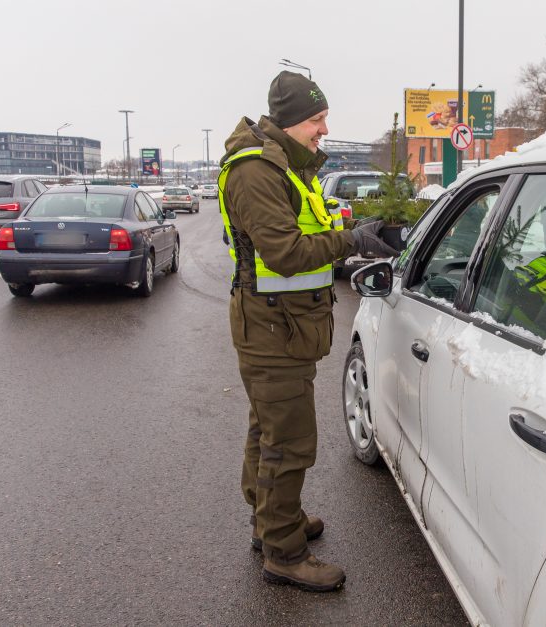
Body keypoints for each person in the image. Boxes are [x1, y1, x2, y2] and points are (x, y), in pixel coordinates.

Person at [218, 71, 396, 592]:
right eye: (317, 120)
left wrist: (349, 233)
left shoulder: (285, 167)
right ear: (292, 121)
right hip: (272, 327)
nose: (324, 128)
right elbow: (287, 253)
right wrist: (352, 240)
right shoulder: (257, 172)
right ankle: (284, 553)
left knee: (268, 431)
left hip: (280, 325)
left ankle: (272, 523)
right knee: (288, 443)